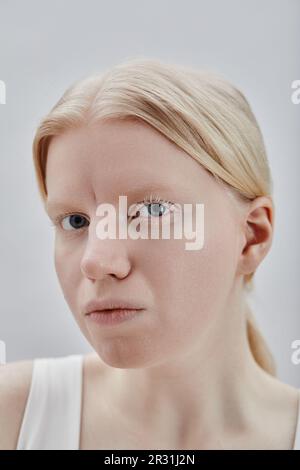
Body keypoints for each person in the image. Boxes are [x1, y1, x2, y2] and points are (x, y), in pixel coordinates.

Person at [1, 57, 299, 450]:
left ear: (251, 236)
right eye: (75, 221)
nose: (95, 261)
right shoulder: (12, 416)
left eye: (152, 212)